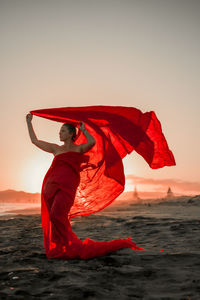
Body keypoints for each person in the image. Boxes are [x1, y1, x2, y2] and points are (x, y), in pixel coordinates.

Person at [26, 113, 144, 259]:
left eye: (63, 131)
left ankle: (69, 245)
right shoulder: (56, 149)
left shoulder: (78, 149)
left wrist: (85, 129)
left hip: (67, 187)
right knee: (54, 217)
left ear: (71, 134)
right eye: (59, 131)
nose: (60, 133)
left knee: (58, 215)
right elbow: (34, 141)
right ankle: (63, 246)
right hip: (50, 187)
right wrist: (29, 122)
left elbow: (92, 142)